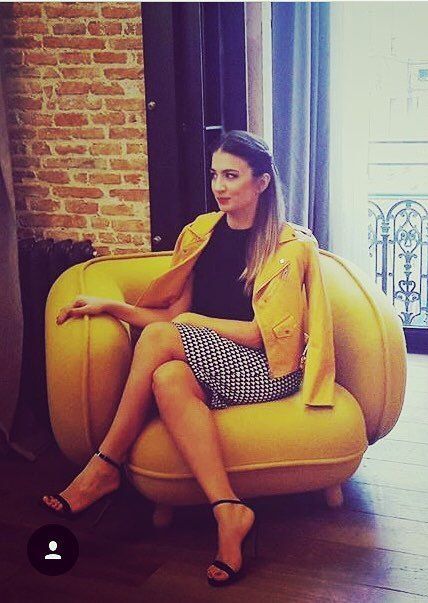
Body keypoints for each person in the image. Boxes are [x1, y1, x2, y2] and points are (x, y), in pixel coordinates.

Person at [39, 130, 335, 587]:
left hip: (268, 369)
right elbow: (172, 316)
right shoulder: (201, 234)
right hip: (210, 357)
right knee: (168, 378)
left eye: (232, 176)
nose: (219, 186)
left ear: (261, 183)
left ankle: (105, 464)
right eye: (215, 174)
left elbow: (259, 336)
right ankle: (228, 509)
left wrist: (192, 321)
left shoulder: (288, 247)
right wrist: (112, 306)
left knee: (163, 342)